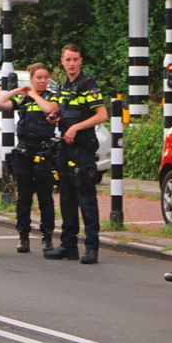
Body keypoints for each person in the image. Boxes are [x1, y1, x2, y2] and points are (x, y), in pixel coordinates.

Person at [44, 44, 108, 265]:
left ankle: (91, 248)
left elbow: (101, 115)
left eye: (75, 59)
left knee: (86, 199)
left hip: (83, 148)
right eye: (68, 60)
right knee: (67, 197)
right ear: (62, 62)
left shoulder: (88, 85)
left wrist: (76, 127)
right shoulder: (63, 86)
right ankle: (68, 245)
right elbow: (64, 111)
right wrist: (56, 118)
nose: (71, 64)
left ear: (81, 61)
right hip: (65, 147)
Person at [0, 62, 60, 253]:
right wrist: (17, 91)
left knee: (45, 198)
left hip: (44, 152)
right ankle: (23, 237)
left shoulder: (51, 97)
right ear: (31, 79)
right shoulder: (24, 100)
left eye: (45, 77)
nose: (43, 81)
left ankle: (47, 238)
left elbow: (49, 109)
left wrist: (34, 94)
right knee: (23, 198)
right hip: (24, 152)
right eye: (39, 78)